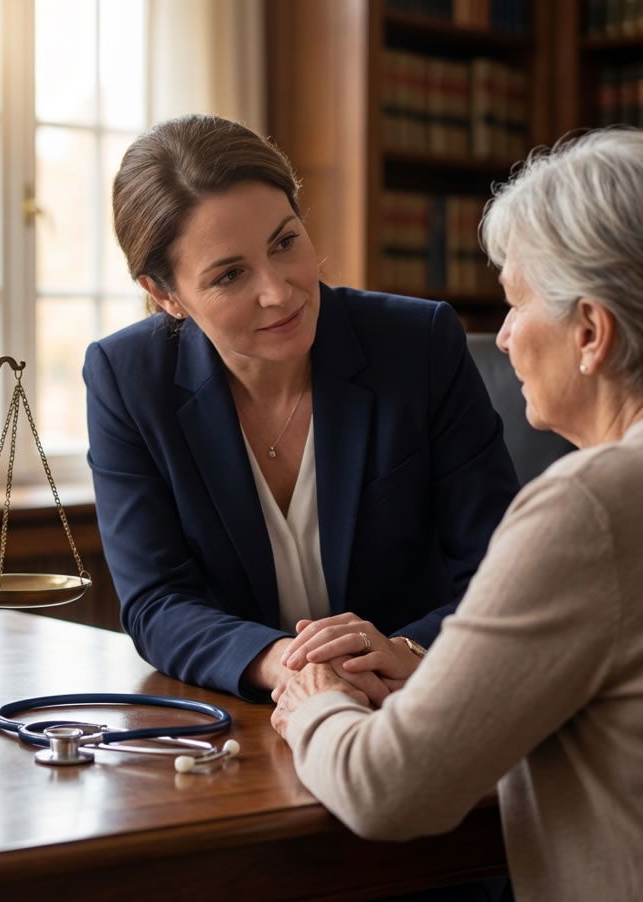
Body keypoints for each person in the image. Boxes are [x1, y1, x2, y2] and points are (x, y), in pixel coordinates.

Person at [271, 127, 643, 901]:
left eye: (513, 303)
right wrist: (437, 671)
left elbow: (387, 788)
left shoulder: (592, 506)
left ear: (590, 332)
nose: (502, 337)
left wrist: (319, 703)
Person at [83, 113, 518, 702]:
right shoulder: (127, 379)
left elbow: (499, 570)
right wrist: (283, 662)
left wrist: (404, 652)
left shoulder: (418, 345)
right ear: (165, 295)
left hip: (418, 708)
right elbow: (156, 599)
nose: (280, 291)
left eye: (285, 242)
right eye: (230, 275)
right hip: (245, 726)